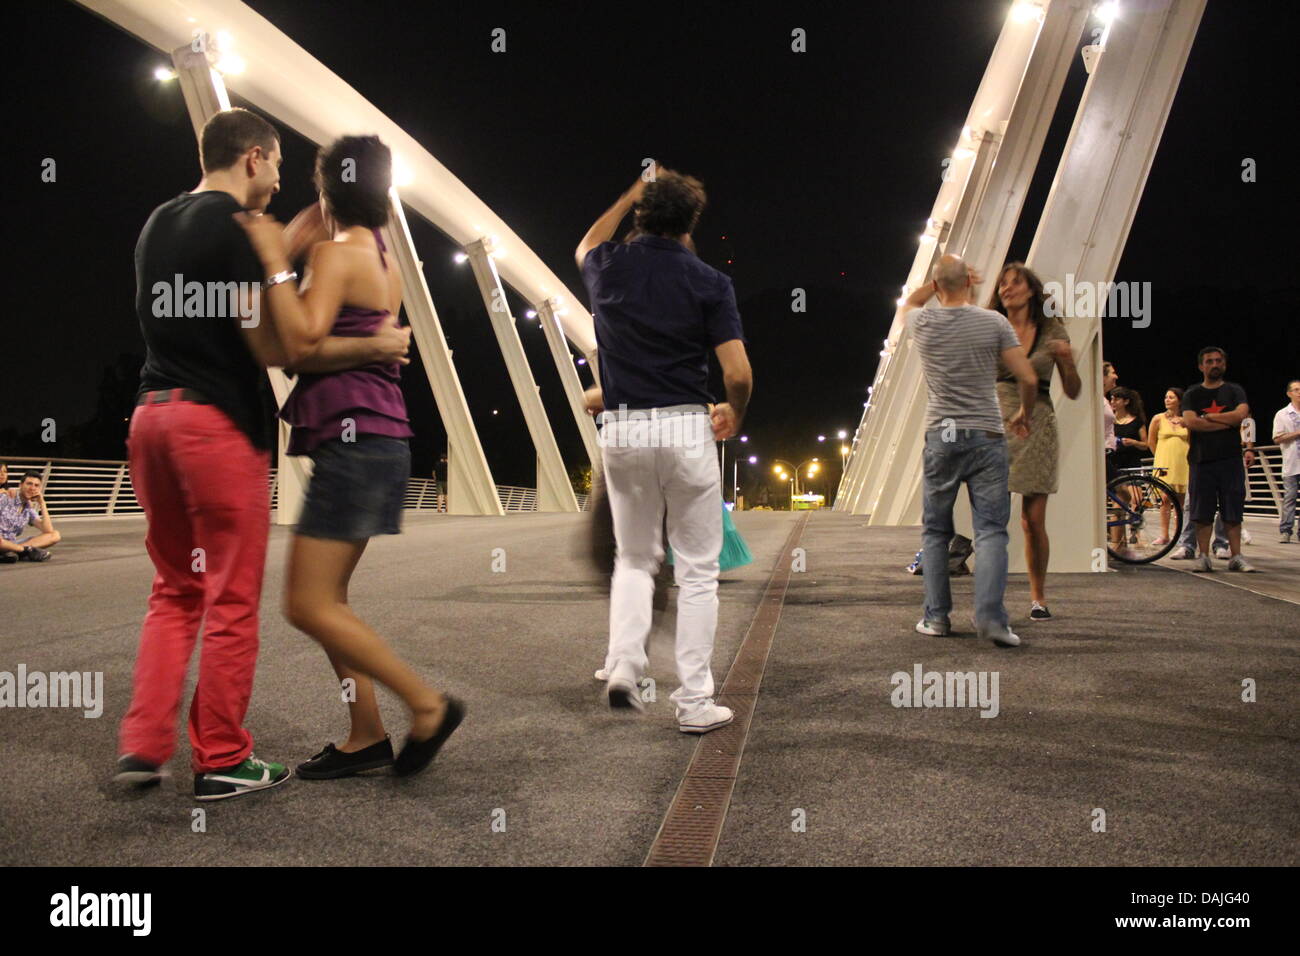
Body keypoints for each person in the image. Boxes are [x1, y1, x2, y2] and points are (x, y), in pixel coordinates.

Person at [116, 109, 412, 800]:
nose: (278, 185)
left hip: (149, 417)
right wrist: (367, 342)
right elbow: (280, 347)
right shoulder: (246, 234)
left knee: (172, 591)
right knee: (230, 597)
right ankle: (221, 755)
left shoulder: (157, 222)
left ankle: (142, 746)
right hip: (215, 427)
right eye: (276, 167)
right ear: (253, 157)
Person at [236, 134, 463, 778]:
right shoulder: (382, 254)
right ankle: (365, 733)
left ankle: (426, 705)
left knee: (306, 604)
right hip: (378, 438)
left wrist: (274, 258)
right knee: (330, 596)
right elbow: (286, 345)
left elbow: (296, 345)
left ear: (328, 189)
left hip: (354, 440)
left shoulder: (337, 256)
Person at [576, 165, 752, 733]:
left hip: (623, 430)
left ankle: (626, 665)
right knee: (697, 571)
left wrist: (629, 193)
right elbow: (739, 374)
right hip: (683, 426)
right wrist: (733, 410)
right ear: (691, 222)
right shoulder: (708, 281)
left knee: (634, 558)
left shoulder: (607, 266)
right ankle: (695, 703)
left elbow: (586, 242)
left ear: (641, 216)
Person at [899, 254, 1037, 647]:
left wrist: (935, 284)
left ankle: (937, 618)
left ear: (939, 287)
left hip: (942, 434)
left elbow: (909, 302)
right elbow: (1026, 375)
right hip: (987, 434)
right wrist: (1024, 412)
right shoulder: (994, 322)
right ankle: (992, 620)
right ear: (971, 285)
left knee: (936, 531)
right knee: (992, 532)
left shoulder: (922, 321)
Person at [988, 262, 1080, 622]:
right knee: (991, 518)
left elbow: (1072, 391)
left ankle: (1038, 597)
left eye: (1015, 283)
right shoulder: (992, 326)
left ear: (1031, 291)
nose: (1007, 288)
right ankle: (990, 599)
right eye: (1002, 284)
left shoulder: (1051, 329)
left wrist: (1067, 362)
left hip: (1038, 420)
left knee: (1032, 520)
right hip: (994, 420)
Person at [1182, 347, 1254, 572]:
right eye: (1209, 361)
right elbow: (1192, 422)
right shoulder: (1192, 394)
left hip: (1230, 458)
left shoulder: (1235, 390)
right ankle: (1203, 556)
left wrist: (1210, 417)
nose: (1215, 364)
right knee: (1202, 511)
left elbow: (1241, 414)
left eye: (1218, 361)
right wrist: (1227, 421)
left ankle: (1237, 556)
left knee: (1232, 509)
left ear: (1224, 364)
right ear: (1201, 366)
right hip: (1201, 459)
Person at [1147, 387, 1189, 545]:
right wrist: (1159, 456)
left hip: (1183, 462)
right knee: (1165, 498)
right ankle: (1164, 535)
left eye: (1171, 397)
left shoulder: (1185, 419)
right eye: (1166, 397)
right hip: (1164, 461)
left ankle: (1180, 535)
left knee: (1181, 501)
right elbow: (1151, 441)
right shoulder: (1158, 418)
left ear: (1179, 400)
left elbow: (1191, 440)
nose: (1167, 399)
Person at [0, 472, 60, 562]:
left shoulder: (28, 508)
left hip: (10, 544)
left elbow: (48, 530)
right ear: (20, 485)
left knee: (55, 535)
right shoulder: (6, 498)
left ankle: (13, 552)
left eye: (36, 485)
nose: (32, 488)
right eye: (29, 484)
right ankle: (25, 551)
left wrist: (42, 503)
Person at [1272, 379, 1300, 543]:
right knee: (1290, 498)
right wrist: (1297, 433)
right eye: (1296, 390)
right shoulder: (1282, 414)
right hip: (1291, 463)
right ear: (1289, 393)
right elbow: (1277, 438)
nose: (1299, 392)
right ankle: (1286, 530)